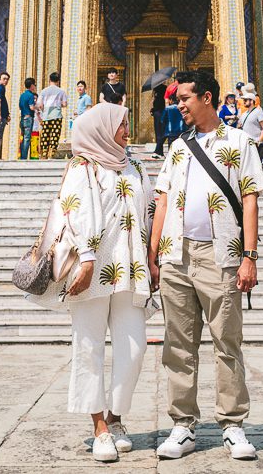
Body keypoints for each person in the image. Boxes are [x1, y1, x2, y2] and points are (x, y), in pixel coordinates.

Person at [149, 70, 261, 462]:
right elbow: (162, 200)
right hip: (176, 255)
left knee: (226, 341)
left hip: (222, 255)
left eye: (184, 98)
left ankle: (232, 425)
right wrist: (154, 256)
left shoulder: (239, 142)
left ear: (207, 98)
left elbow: (249, 199)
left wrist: (250, 256)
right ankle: (183, 425)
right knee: (178, 345)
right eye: (177, 99)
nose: (178, 104)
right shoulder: (178, 147)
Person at [36, 103, 154, 464]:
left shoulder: (134, 166)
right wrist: (86, 259)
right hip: (91, 270)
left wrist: (154, 259)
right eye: (121, 125)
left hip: (130, 269)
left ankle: (117, 417)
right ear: (101, 128)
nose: (126, 131)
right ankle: (99, 426)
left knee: (134, 350)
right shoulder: (82, 167)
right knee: (89, 349)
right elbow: (73, 213)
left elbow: (149, 212)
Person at [38, 72, 69, 159]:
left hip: (46, 116)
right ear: (58, 81)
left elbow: (40, 105)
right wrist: (59, 104)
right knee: (55, 135)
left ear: (49, 80)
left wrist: (44, 109)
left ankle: (44, 154)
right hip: (57, 116)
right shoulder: (61, 91)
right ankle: (52, 153)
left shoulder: (44, 91)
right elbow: (64, 104)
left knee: (45, 135)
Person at [239, 89, 263, 171]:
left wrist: (260, 140)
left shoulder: (258, 112)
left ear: (252, 101)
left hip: (256, 142)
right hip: (246, 144)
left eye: (245, 100)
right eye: (243, 100)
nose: (244, 102)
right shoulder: (243, 114)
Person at [18, 77, 38, 160]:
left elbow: (20, 107)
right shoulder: (30, 95)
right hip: (28, 118)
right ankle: (24, 157)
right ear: (32, 85)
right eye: (34, 85)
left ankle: (21, 155)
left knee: (23, 137)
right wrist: (38, 107)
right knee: (27, 138)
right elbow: (31, 107)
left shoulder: (22, 95)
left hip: (22, 118)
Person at [150, 81, 168, 159]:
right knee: (164, 131)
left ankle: (159, 152)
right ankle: (158, 151)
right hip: (163, 111)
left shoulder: (155, 89)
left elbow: (153, 100)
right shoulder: (166, 88)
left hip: (156, 111)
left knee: (158, 132)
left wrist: (152, 109)